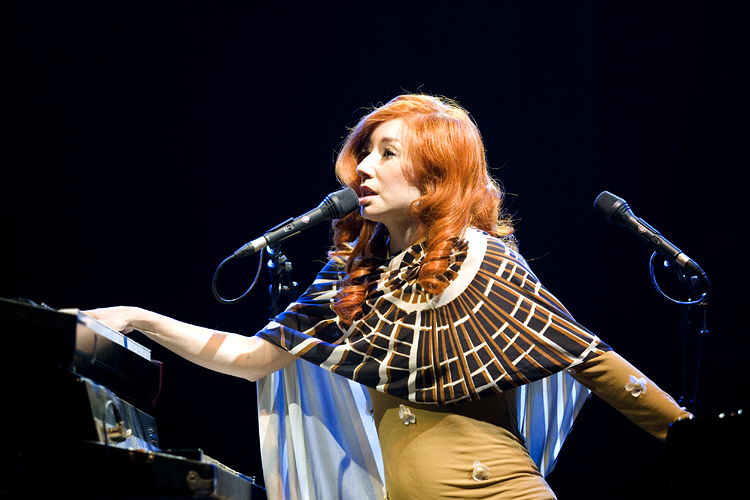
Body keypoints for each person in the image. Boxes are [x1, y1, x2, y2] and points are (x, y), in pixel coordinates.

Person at [87, 94, 691, 499]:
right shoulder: (350, 282)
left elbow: (588, 358)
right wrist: (142, 319)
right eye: (364, 153)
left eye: (388, 153)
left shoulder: (484, 262)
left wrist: (691, 438)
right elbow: (252, 359)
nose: (363, 171)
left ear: (435, 172)